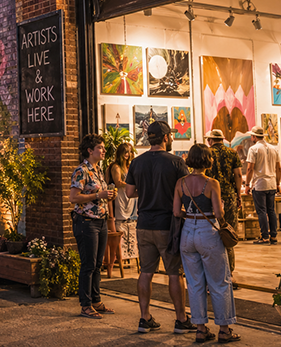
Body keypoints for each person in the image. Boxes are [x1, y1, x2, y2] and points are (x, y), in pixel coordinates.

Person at [125, 121, 195, 334]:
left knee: (145, 271)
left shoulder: (136, 162)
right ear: (165, 138)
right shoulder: (175, 162)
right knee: (174, 272)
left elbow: (129, 193)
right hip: (168, 225)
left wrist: (145, 193)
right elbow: (188, 190)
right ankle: (181, 320)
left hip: (144, 224)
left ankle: (144, 318)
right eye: (170, 136)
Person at [173, 144, 241, 343]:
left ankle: (201, 329)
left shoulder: (180, 183)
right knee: (219, 282)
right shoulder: (212, 183)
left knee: (194, 283)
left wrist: (191, 216)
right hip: (207, 232)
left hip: (187, 233)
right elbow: (219, 214)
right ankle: (224, 329)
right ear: (208, 160)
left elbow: (176, 212)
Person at [70, 134, 117, 319]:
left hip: (101, 221)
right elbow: (73, 198)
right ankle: (86, 305)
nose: (104, 150)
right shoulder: (81, 171)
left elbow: (100, 193)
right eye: (100, 148)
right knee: (88, 265)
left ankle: (96, 301)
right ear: (90, 151)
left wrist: (108, 196)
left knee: (98, 265)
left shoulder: (98, 170)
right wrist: (98, 196)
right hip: (86, 222)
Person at [205, 129, 243, 287]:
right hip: (229, 197)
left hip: (210, 197)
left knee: (211, 234)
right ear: (223, 139)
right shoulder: (232, 152)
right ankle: (230, 272)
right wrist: (238, 195)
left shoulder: (207, 153)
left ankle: (213, 273)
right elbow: (238, 175)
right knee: (229, 234)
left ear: (210, 140)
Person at [244, 127, 281, 245]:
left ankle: (265, 237)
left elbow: (250, 168)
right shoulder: (273, 148)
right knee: (271, 210)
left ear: (254, 137)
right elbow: (278, 168)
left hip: (259, 184)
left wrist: (247, 185)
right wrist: (277, 183)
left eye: (252, 136)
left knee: (261, 211)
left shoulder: (253, 149)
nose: (251, 137)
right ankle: (274, 236)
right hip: (271, 183)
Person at [107, 142, 137, 277]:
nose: (127, 154)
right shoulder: (116, 167)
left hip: (129, 197)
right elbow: (118, 182)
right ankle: (116, 260)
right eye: (125, 151)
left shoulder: (129, 166)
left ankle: (130, 254)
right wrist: (132, 185)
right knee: (120, 224)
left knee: (131, 223)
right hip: (120, 197)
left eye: (129, 151)